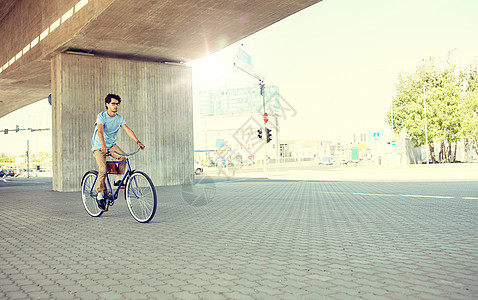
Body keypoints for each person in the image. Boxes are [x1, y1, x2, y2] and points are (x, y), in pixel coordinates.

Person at [91, 94, 145, 210]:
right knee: (103, 170)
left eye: (117, 104)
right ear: (107, 104)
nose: (115, 106)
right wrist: (103, 146)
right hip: (98, 146)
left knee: (123, 158)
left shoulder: (119, 118)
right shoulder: (101, 116)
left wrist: (138, 141)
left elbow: (128, 130)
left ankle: (118, 179)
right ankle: (99, 194)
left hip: (111, 145)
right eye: (113, 104)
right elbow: (100, 132)